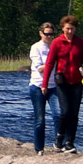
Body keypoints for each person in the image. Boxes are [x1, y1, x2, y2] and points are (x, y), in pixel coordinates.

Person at [41, 15, 83, 153]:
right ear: (63, 28)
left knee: (74, 114)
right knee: (65, 112)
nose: (69, 31)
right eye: (67, 29)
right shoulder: (57, 43)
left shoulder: (80, 43)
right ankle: (59, 139)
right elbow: (50, 64)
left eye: (72, 29)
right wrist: (44, 84)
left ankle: (70, 142)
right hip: (62, 82)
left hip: (77, 82)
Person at [30, 22, 62, 154]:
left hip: (53, 86)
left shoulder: (56, 46)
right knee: (40, 120)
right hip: (37, 86)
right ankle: (39, 148)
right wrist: (52, 60)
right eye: (46, 34)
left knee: (59, 114)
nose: (49, 37)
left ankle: (59, 143)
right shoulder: (36, 47)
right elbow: (40, 69)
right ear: (40, 33)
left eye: (51, 34)